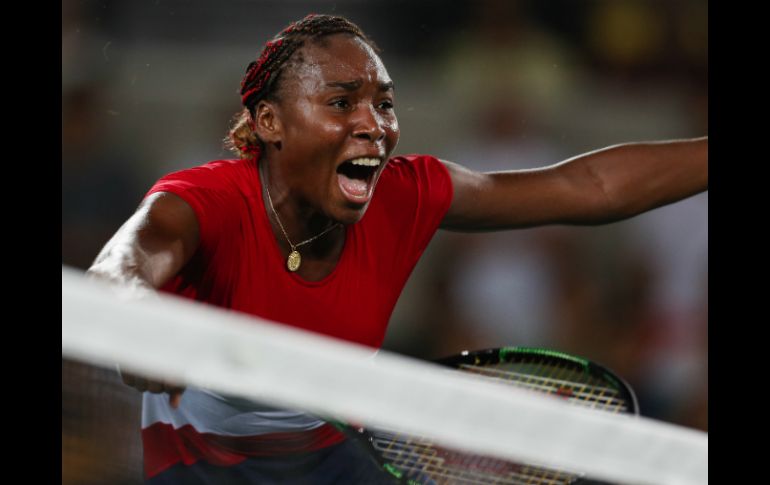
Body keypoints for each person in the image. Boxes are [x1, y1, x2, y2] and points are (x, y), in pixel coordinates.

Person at [86, 14, 708, 485]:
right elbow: (121, 266)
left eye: (383, 103)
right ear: (269, 123)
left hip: (336, 465)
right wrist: (140, 325)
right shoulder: (208, 200)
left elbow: (589, 187)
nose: (374, 124)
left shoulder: (403, 196)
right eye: (340, 102)